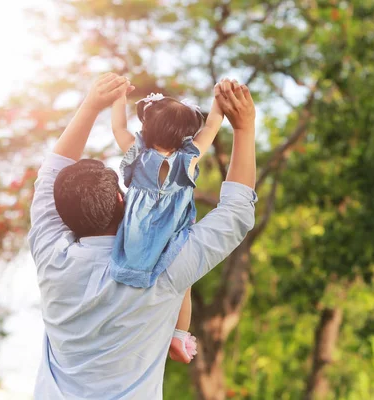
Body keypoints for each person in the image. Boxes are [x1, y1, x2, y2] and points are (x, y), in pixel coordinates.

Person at [27, 73, 257, 399]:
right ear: (122, 200)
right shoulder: (160, 267)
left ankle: (179, 334)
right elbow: (236, 213)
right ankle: (179, 334)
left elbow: (50, 176)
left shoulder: (50, 254)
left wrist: (94, 105)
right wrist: (244, 128)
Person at [109, 84, 224, 363]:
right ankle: (178, 334)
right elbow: (211, 128)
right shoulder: (190, 156)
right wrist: (219, 103)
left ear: (147, 127)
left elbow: (118, 128)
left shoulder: (138, 154)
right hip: (174, 235)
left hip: (137, 238)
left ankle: (122, 328)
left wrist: (118, 97)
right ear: (185, 133)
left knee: (128, 282)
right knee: (183, 284)